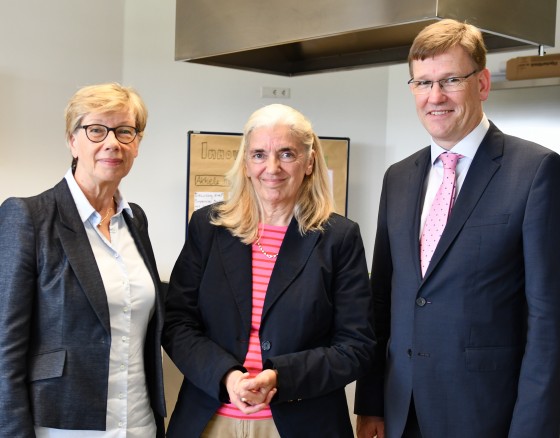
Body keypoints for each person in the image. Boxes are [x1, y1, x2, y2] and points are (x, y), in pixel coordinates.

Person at [354, 18, 560, 438]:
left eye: (450, 80)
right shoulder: (398, 178)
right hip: (402, 411)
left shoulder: (536, 171)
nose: (435, 97)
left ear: (482, 84)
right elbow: (382, 299)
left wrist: (532, 429)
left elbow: (548, 319)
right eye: (422, 83)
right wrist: (372, 403)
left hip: (487, 416)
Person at [162, 103, 375, 437]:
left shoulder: (339, 238)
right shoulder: (208, 227)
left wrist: (280, 377)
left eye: (287, 154)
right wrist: (228, 376)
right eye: (259, 154)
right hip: (211, 420)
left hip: (302, 424)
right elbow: (177, 324)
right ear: (246, 164)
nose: (272, 168)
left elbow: (355, 346)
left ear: (309, 162)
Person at [0, 83, 166, 437]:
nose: (112, 143)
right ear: (72, 141)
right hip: (61, 424)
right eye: (96, 130)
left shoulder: (135, 220)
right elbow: (4, 348)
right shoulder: (29, 217)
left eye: (124, 131)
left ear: (137, 143)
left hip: (138, 422)